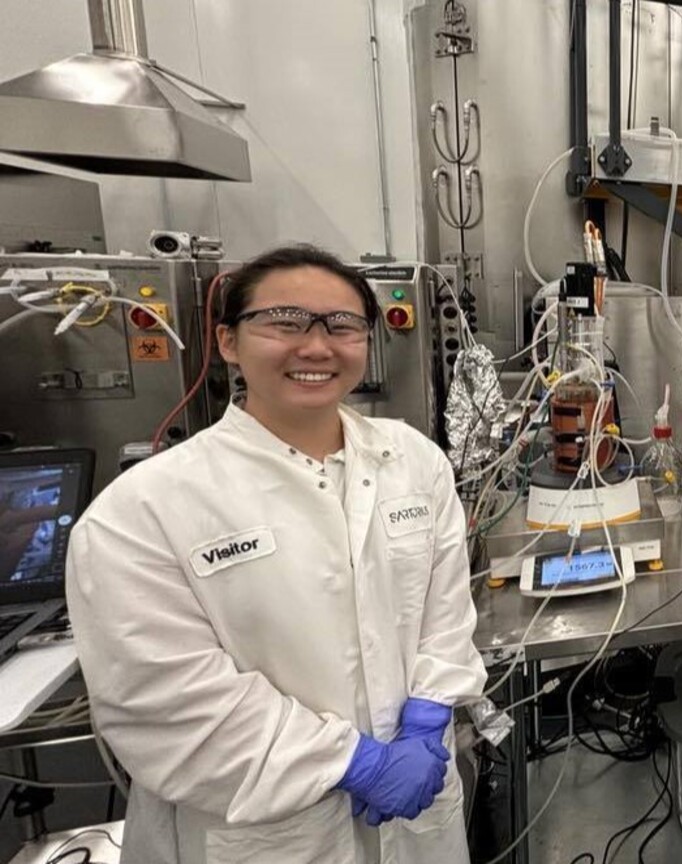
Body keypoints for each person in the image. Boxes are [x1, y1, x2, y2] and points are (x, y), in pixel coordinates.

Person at [65, 245, 488, 864]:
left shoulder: (413, 460)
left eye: (342, 325)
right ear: (229, 342)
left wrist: (428, 715)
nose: (316, 347)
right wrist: (352, 761)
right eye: (285, 322)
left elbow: (445, 613)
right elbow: (165, 700)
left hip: (420, 815)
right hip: (267, 834)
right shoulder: (143, 510)